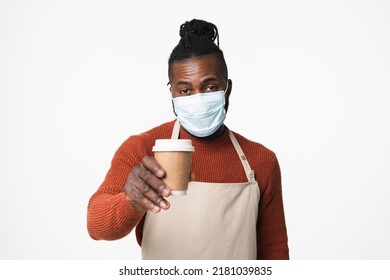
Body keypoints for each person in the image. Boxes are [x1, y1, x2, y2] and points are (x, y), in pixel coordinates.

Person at [87, 19, 289, 260]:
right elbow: (96, 226)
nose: (198, 98)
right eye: (185, 90)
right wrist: (132, 200)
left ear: (228, 89)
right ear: (171, 93)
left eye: (210, 87)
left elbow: (274, 252)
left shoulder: (262, 161)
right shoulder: (142, 149)